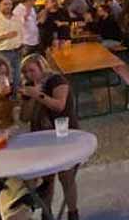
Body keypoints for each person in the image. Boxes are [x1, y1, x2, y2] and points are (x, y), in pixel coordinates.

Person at [20, 54, 81, 220]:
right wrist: (30, 98)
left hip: (63, 133)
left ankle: (73, 213)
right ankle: (47, 215)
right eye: (25, 72)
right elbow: (24, 117)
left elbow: (59, 106)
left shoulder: (57, 80)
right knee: (47, 180)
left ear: (42, 67)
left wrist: (38, 95)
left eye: (31, 70)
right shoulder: (29, 86)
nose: (28, 75)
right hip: (41, 137)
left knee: (66, 176)